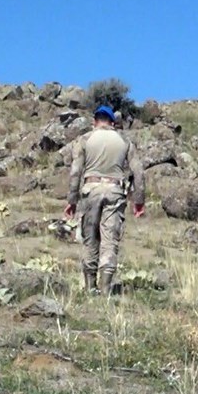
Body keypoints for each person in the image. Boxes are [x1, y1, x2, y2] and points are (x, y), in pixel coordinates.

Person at [64, 105, 146, 295]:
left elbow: (75, 172)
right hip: (115, 190)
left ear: (94, 121)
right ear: (113, 122)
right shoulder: (124, 141)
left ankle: (90, 286)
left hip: (90, 190)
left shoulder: (84, 139)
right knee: (110, 239)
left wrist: (72, 200)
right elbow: (139, 172)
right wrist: (139, 201)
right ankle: (106, 288)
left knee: (90, 238)